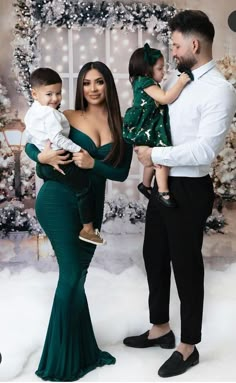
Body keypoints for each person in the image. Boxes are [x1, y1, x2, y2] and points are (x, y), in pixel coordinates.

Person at [123, 10, 236, 378]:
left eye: (174, 44)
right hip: (163, 182)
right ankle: (160, 328)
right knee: (153, 254)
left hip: (189, 188)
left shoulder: (220, 89)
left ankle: (189, 347)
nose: (171, 51)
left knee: (185, 267)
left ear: (194, 44)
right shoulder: (176, 79)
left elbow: (205, 150)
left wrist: (155, 155)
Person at [25, 61, 133, 381]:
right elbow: (38, 150)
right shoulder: (66, 116)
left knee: (78, 276)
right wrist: (40, 157)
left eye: (99, 82)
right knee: (71, 275)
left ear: (108, 85)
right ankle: (59, 361)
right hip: (58, 200)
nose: (93, 89)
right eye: (86, 83)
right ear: (80, 88)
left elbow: (120, 172)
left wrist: (92, 164)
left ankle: (83, 350)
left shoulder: (120, 124)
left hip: (91, 209)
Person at [25, 67, 106, 246]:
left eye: (58, 93)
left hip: (51, 166)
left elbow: (28, 139)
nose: (55, 98)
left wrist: (41, 160)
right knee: (84, 186)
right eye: (49, 94)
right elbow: (56, 138)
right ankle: (88, 229)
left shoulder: (33, 112)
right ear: (34, 93)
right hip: (60, 158)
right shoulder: (51, 114)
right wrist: (76, 150)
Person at [123, 43, 191, 207]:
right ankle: (163, 191)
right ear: (147, 71)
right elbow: (165, 98)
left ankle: (145, 185)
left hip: (146, 124)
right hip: (146, 125)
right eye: (160, 69)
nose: (163, 72)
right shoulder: (146, 82)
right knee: (162, 155)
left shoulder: (141, 81)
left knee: (152, 158)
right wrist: (181, 82)